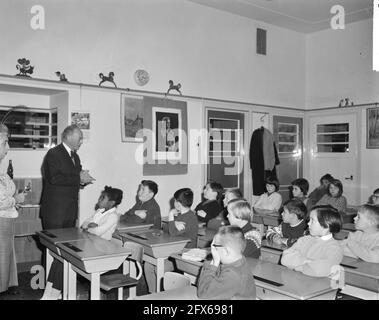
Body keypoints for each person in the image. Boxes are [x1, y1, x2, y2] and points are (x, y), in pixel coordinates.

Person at [40, 124, 95, 300]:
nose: (82, 141)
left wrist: (83, 180)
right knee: (56, 252)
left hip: (69, 212)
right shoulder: (53, 154)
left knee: (66, 251)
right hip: (55, 212)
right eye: (80, 138)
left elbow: (71, 180)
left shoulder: (75, 157)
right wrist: (77, 177)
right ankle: (52, 290)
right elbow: (54, 178)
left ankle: (54, 290)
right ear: (69, 137)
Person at [144, 188, 198, 293]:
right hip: (174, 250)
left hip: (184, 254)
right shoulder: (180, 215)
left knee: (159, 267)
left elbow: (172, 232)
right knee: (148, 265)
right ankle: (152, 293)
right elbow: (166, 228)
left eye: (175, 200)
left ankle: (162, 295)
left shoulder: (190, 217)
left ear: (178, 203)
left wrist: (171, 216)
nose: (174, 202)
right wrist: (173, 223)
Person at [281, 205, 343, 277]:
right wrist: (308, 262)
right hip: (297, 280)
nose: (308, 223)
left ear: (326, 225)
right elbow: (285, 258)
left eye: (312, 220)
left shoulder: (335, 248)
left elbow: (320, 270)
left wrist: (297, 265)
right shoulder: (304, 239)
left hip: (318, 286)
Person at [197, 225, 256, 300]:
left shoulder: (232, 275)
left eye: (214, 246)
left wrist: (213, 264)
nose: (212, 250)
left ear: (225, 251)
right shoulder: (239, 261)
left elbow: (203, 294)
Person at [0, 124, 25, 295]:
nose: (8, 148)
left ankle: (4, 287)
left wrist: (14, 201)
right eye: (5, 143)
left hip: (6, 219)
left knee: (6, 255)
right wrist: (14, 199)